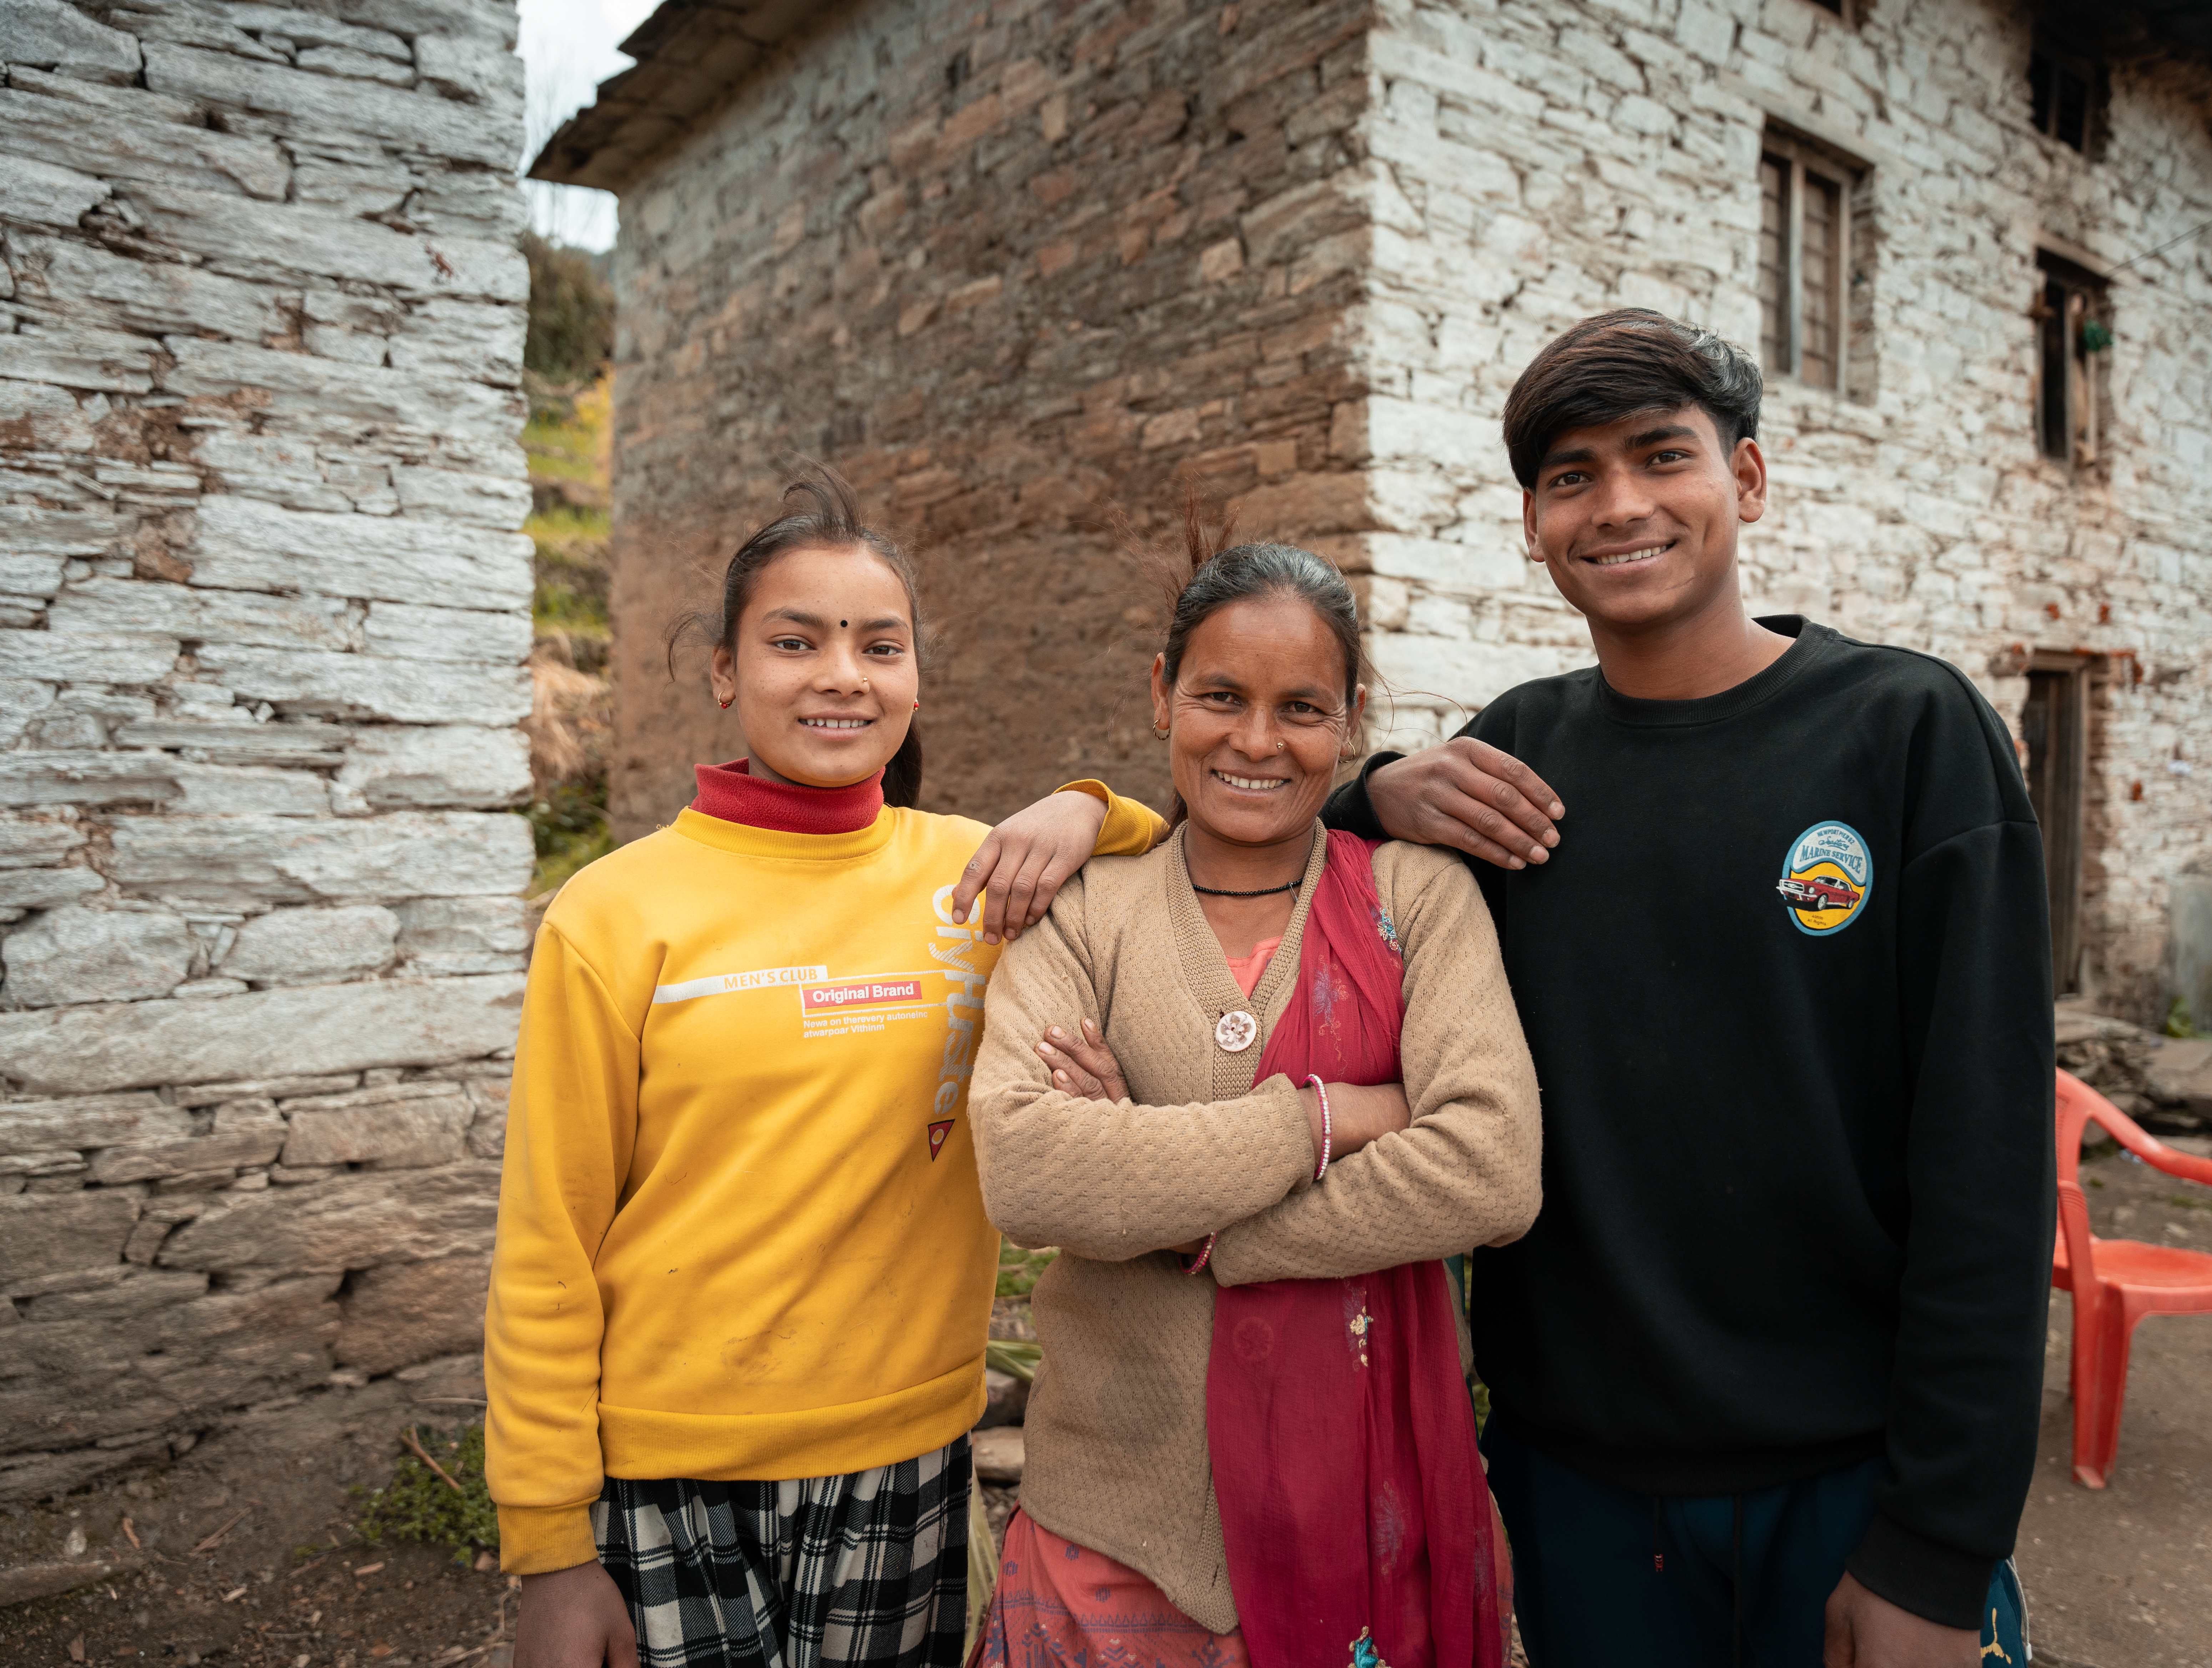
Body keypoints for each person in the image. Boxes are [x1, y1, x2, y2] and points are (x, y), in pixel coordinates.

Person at [1323, 310, 2054, 1667]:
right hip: (1580, 1486)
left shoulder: (1907, 736)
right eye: (1571, 477)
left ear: (1749, 480)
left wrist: (1937, 1552)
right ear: (1533, 526)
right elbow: (1279, 897)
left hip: (1853, 1483)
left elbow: (1990, 1170)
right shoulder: (1514, 764)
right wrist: (1364, 797)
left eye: (1664, 456)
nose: (1621, 506)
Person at [488, 471, 1170, 1668]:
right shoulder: (613, 914)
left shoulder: (978, 876)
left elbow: (1190, 857)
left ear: (915, 677)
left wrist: (1083, 806)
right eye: (795, 641)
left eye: (879, 645)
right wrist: (548, 1544)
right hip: (664, 1462)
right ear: (724, 672)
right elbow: (548, 1241)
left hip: (900, 1446)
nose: (842, 674)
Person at [964, 524, 1542, 1667]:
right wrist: (1328, 1118)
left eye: (1303, 708)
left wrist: (1176, 1205)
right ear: (1161, 694)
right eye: (1220, 696)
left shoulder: (1417, 899)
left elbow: (1491, 1167)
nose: (1258, 742)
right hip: (1111, 1527)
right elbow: (1028, 1170)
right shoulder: (1084, 910)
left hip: (1372, 1504)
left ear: (1353, 716)